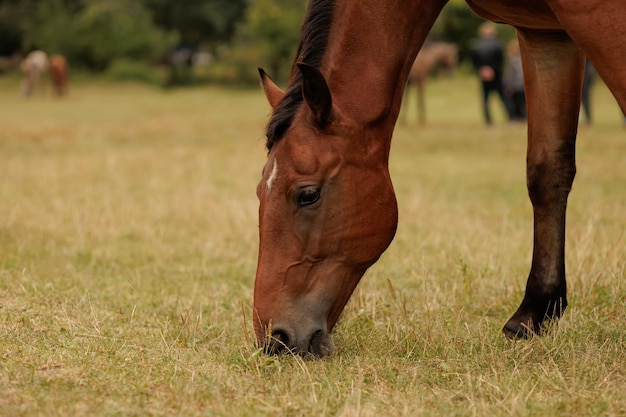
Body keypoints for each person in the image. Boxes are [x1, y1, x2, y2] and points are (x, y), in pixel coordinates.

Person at [471, 22, 511, 125]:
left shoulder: (476, 45)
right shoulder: (499, 44)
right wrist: (493, 70)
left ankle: (488, 121)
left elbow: (474, 62)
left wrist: (482, 70)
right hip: (497, 76)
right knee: (504, 98)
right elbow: (502, 61)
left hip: (484, 77)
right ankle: (511, 118)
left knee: (485, 100)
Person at [503, 39, 526, 122]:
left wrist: (508, 85)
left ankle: (518, 117)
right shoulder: (523, 60)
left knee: (517, 103)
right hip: (522, 85)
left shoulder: (513, 61)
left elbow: (509, 75)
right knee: (523, 103)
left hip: (516, 86)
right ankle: (522, 117)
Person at [580, 58, 596, 125]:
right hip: (589, 73)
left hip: (586, 74)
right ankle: (588, 119)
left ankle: (588, 119)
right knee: (585, 97)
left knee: (584, 97)